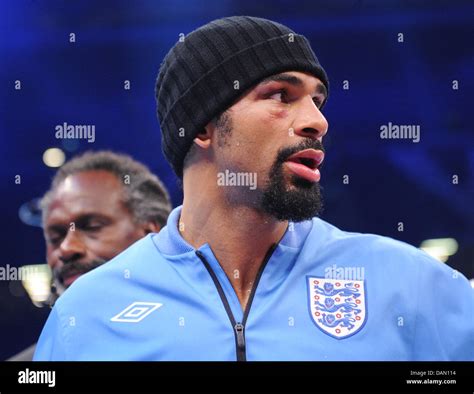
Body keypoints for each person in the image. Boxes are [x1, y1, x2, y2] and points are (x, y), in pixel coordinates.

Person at [34, 16, 473, 361]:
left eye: (317, 101)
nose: (318, 122)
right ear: (202, 126)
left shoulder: (412, 285)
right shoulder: (88, 312)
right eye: (281, 95)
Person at [8, 151, 171, 361]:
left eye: (92, 226)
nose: (66, 249)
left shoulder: (213, 341)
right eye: (55, 237)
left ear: (150, 234)